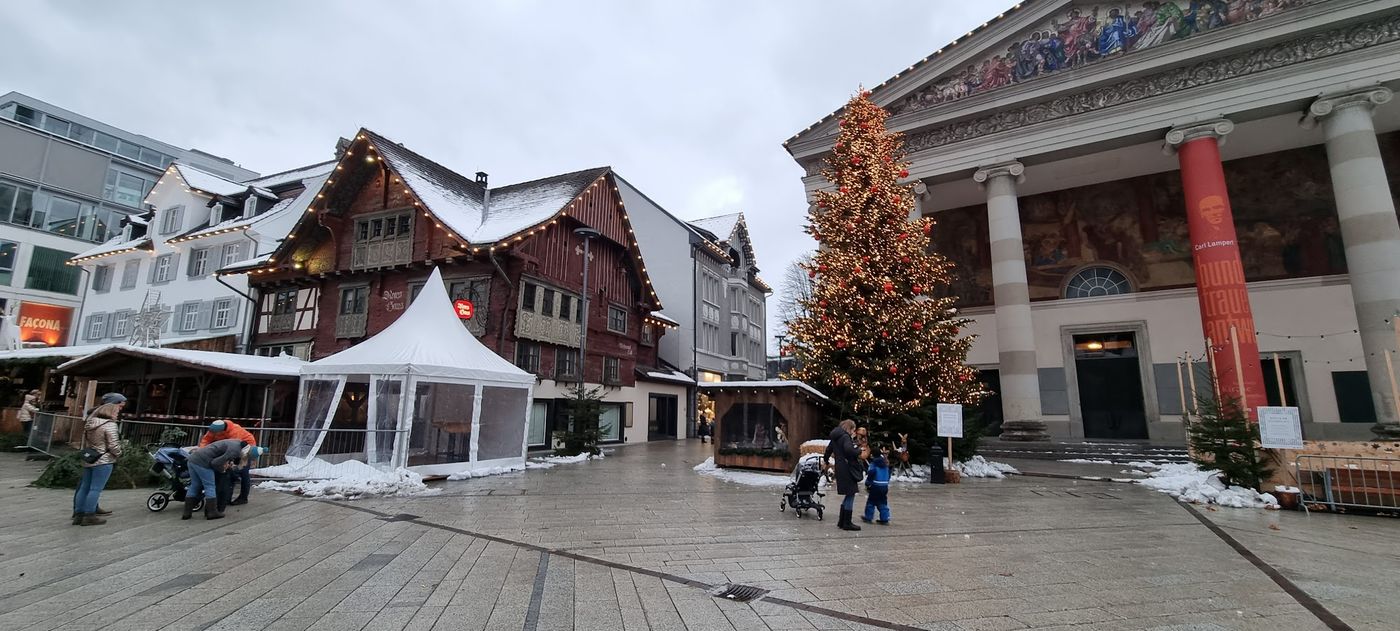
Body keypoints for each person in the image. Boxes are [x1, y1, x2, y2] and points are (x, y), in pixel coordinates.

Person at [72, 393, 125, 526]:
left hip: (90, 457)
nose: (118, 412)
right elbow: (113, 445)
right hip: (104, 459)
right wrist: (119, 453)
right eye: (117, 409)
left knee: (84, 487)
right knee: (95, 489)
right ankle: (89, 515)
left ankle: (79, 513)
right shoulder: (110, 425)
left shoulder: (91, 422)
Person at [184, 439, 263, 520]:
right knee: (210, 486)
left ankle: (187, 513)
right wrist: (223, 470)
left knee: (195, 485)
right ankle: (212, 512)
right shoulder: (235, 451)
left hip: (192, 459)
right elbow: (215, 463)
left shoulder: (239, 444)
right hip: (203, 462)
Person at [200, 420, 258, 507]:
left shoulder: (235, 431)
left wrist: (227, 461)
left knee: (243, 471)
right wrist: (202, 451)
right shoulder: (214, 429)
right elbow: (206, 440)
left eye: (217, 433)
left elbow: (232, 449)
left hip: (247, 448)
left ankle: (243, 497)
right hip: (231, 447)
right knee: (229, 472)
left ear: (222, 430)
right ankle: (226, 498)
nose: (214, 434)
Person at [823, 419, 865, 532]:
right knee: (851, 493)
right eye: (853, 429)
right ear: (850, 428)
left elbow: (828, 450)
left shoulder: (836, 436)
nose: (854, 432)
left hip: (840, 468)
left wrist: (825, 460)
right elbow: (849, 450)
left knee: (849, 493)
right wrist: (858, 450)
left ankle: (842, 521)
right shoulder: (845, 437)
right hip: (848, 469)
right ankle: (846, 522)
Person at [862, 448, 892, 525]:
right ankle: (885, 518)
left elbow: (871, 474)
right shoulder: (885, 463)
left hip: (876, 485)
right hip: (884, 486)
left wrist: (868, 483)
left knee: (871, 501)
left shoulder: (874, 464)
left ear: (872, 455)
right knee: (882, 501)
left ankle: (868, 517)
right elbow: (889, 474)